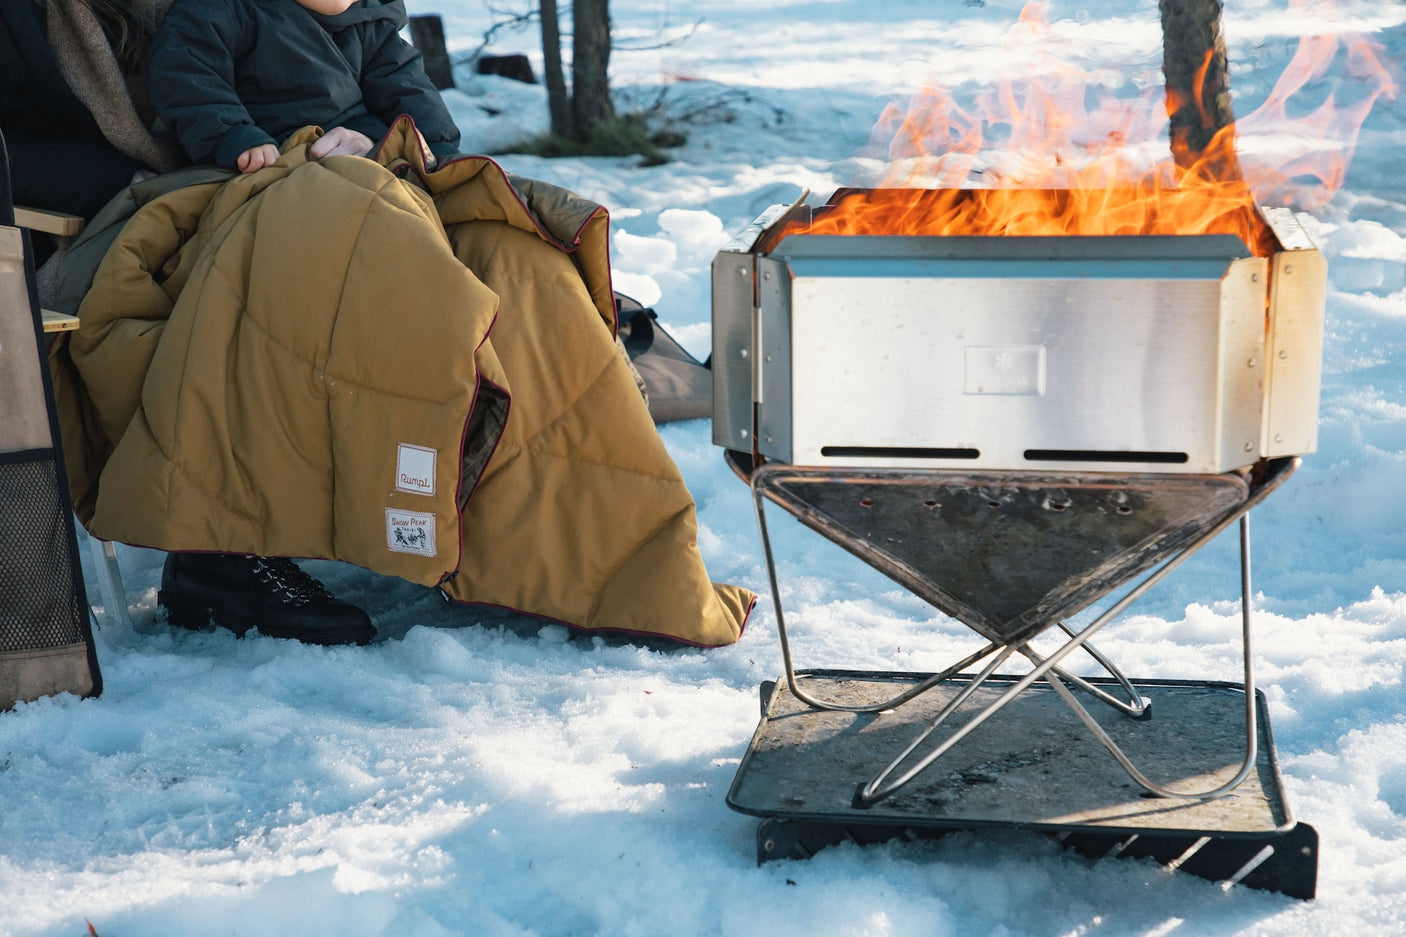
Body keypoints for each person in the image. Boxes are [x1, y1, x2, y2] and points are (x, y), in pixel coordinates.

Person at [2, 0, 380, 646]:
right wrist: (129, 181)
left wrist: (363, 128)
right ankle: (220, 554)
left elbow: (333, 79)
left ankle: (377, 503)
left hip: (223, 197)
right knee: (204, 308)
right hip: (73, 228)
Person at [145, 0, 461, 174]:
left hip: (365, 159)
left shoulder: (371, 22)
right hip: (271, 159)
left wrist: (435, 150)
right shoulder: (224, 9)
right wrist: (232, 135)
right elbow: (189, 72)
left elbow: (408, 90)